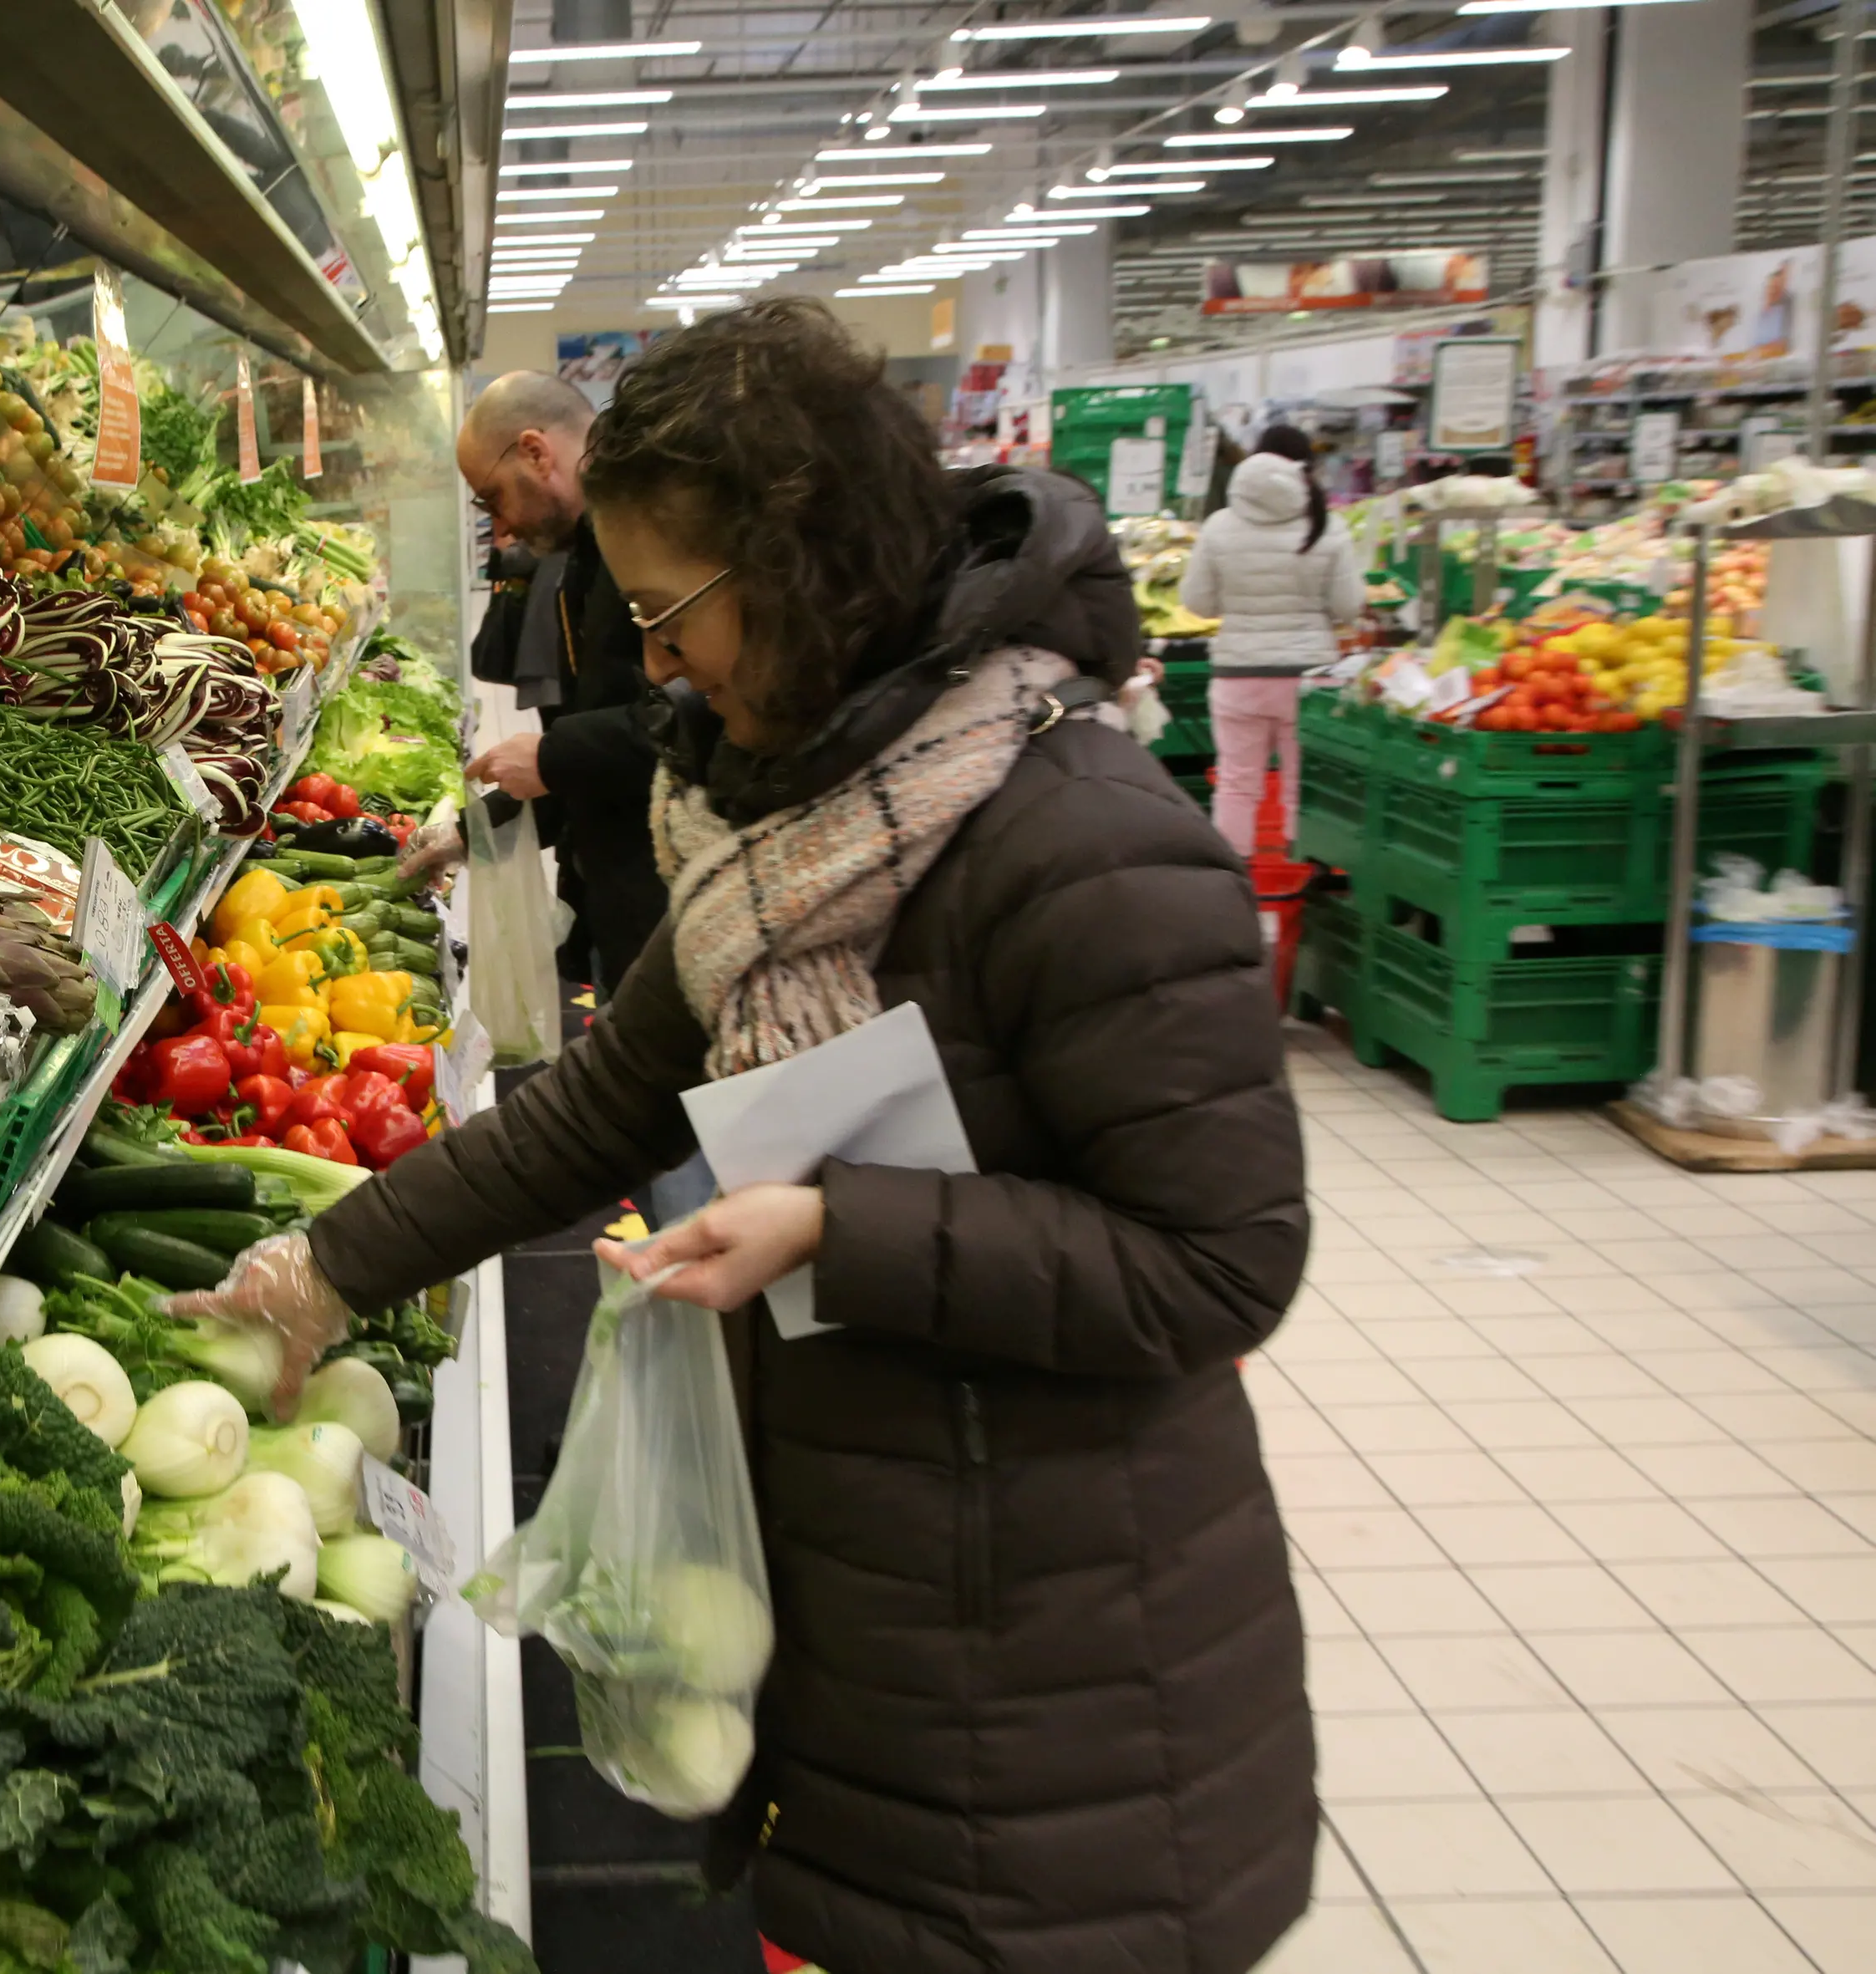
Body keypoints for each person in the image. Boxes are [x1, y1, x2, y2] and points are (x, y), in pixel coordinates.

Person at [176, 301, 1315, 1974]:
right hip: (867, 1595)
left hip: (1063, 1651)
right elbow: (603, 1098)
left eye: (666, 614)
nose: (651, 666)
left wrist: (837, 1229)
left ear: (799, 568)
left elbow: (1221, 1262)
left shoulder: (1084, 847)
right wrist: (322, 1266)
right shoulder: (759, 812)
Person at [450, 371, 668, 997]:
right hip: (623, 889)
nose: (505, 529)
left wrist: (553, 754)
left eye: (492, 499)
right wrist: (471, 834)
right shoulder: (588, 553)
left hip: (660, 899)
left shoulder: (641, 547)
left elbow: (678, 723)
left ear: (535, 452)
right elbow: (610, 734)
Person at [1180, 424, 1361, 857]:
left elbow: (1197, 603)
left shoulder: (1219, 526)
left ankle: (1233, 880)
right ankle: (1306, 877)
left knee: (1238, 782)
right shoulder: (1327, 525)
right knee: (1306, 783)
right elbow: (1350, 607)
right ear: (1305, 469)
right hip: (1310, 676)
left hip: (1238, 673)